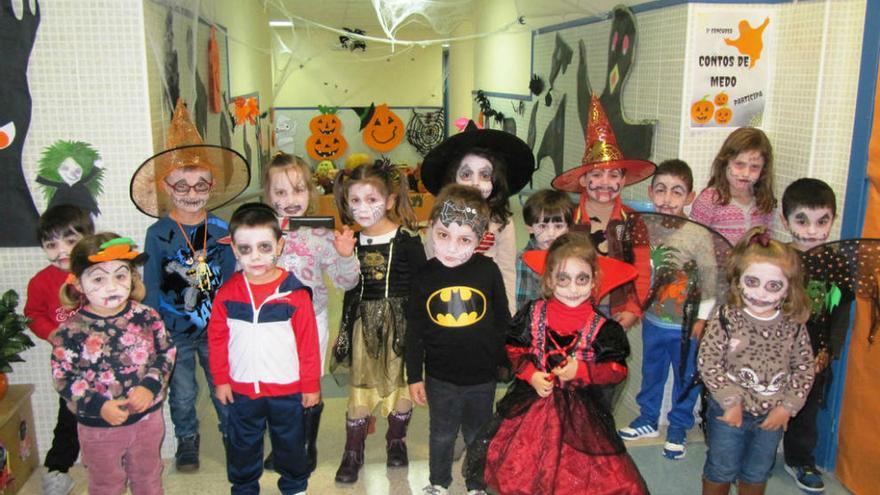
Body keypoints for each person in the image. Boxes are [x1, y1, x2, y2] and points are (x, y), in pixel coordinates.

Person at [466, 231, 648, 495]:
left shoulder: (603, 328)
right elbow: (513, 349)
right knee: (522, 467)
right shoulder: (532, 313)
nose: (573, 289)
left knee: (579, 472)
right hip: (532, 407)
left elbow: (616, 370)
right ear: (549, 280)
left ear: (594, 279)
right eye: (563, 280)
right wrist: (530, 374)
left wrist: (582, 370)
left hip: (580, 414)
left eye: (582, 279)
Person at [132, 99, 248, 471]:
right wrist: (153, 328)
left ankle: (233, 437)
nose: (191, 192)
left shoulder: (221, 230)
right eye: (181, 185)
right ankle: (187, 440)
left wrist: (236, 321)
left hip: (217, 329)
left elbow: (233, 279)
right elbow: (150, 282)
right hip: (174, 330)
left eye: (200, 185)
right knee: (181, 393)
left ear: (211, 186)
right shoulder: (158, 233)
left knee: (223, 388)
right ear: (166, 185)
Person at [207, 203, 321, 495]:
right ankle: (244, 487)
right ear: (233, 249)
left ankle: (295, 486)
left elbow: (308, 344)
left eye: (264, 246)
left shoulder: (294, 293)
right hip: (242, 389)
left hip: (287, 389)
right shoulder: (228, 293)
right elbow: (217, 339)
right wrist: (220, 379)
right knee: (242, 443)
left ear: (279, 245)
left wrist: (310, 385)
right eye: (245, 249)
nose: (255, 256)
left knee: (291, 443)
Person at [51, 234, 176, 495]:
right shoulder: (71, 331)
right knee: (106, 485)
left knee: (148, 478)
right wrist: (100, 406)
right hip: (98, 428)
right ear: (78, 284)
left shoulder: (146, 316)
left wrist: (149, 387)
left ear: (132, 277)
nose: (111, 286)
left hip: (146, 420)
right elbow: (63, 377)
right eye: (98, 279)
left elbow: (165, 352)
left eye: (120, 276)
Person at [405, 184, 510, 495]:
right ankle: (438, 482)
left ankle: (476, 484)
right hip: (440, 377)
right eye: (443, 235)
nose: (451, 247)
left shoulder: (488, 271)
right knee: (441, 434)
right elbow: (414, 329)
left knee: (479, 433)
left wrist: (507, 360)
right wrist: (414, 376)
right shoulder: (425, 276)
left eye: (464, 239)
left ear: (480, 239)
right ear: (431, 229)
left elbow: (501, 319)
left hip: (482, 376)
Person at [698, 227, 815, 495]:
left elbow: (804, 368)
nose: (761, 293)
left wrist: (787, 407)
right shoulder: (726, 317)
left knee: (758, 470)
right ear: (738, 280)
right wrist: (730, 401)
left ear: (788, 289)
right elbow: (708, 360)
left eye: (773, 286)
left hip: (772, 413)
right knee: (721, 467)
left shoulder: (792, 325)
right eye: (752, 282)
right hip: (728, 411)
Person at [331, 159, 426, 483]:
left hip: (401, 325)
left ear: (388, 200)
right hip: (363, 326)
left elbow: (421, 284)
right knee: (360, 389)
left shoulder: (407, 240)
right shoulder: (350, 241)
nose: (363, 208)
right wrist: (344, 257)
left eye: (371, 200)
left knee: (400, 387)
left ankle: (396, 440)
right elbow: (345, 286)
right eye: (355, 200)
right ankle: (352, 450)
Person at [261, 152, 358, 470]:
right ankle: (282, 446)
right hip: (270, 325)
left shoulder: (322, 234)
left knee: (307, 387)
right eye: (280, 192)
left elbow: (346, 281)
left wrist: (345, 255)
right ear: (268, 195)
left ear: (311, 192)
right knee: (277, 388)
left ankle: (305, 446)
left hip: (311, 322)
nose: (290, 199)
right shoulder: (260, 233)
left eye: (298, 189)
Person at [618, 160, 720, 460]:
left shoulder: (698, 234)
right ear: (651, 192)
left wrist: (703, 318)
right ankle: (648, 418)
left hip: (686, 326)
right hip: (653, 320)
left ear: (690, 196)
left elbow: (711, 279)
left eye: (677, 192)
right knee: (652, 372)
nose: (667, 199)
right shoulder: (644, 227)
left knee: (685, 376)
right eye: (660, 190)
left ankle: (678, 426)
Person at [551, 95, 655, 330]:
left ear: (624, 179)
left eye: (613, 175)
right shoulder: (568, 219)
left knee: (609, 365)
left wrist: (633, 309)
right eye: (596, 175)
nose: (604, 182)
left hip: (615, 311)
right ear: (584, 179)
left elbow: (642, 270)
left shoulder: (633, 221)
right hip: (573, 304)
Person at [421, 120, 535, 313]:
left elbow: (507, 270)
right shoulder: (441, 219)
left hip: (487, 301)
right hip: (446, 298)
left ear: (496, 180)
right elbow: (430, 261)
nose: (475, 183)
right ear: (453, 177)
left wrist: (509, 314)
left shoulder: (501, 223)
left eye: (485, 175)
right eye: (466, 175)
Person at [779, 178, 847, 493]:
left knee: (806, 410)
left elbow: (840, 312)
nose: (812, 231)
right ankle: (760, 456)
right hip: (775, 352)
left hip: (815, 355)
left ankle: (799, 459)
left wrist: (829, 351)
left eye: (823, 221)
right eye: (801, 220)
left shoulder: (837, 264)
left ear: (833, 219)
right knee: (767, 405)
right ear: (785, 220)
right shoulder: (777, 259)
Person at [25, 205, 94, 495]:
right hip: (68, 367)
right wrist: (50, 333)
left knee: (114, 417)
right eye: (50, 244)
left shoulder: (99, 272)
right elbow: (33, 314)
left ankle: (120, 461)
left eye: (69, 240)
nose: (61, 250)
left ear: (88, 238)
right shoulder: (41, 281)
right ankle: (57, 468)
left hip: (111, 365)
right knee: (68, 418)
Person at [690, 127, 776, 245]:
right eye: (739, 164)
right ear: (725, 163)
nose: (746, 173)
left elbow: (766, 243)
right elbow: (693, 241)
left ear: (763, 170)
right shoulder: (709, 200)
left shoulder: (763, 201)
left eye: (754, 167)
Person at [515, 189, 576, 310]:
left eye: (558, 226)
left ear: (568, 227)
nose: (551, 233)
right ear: (530, 228)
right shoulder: (524, 260)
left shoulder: (576, 257)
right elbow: (523, 305)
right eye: (543, 226)